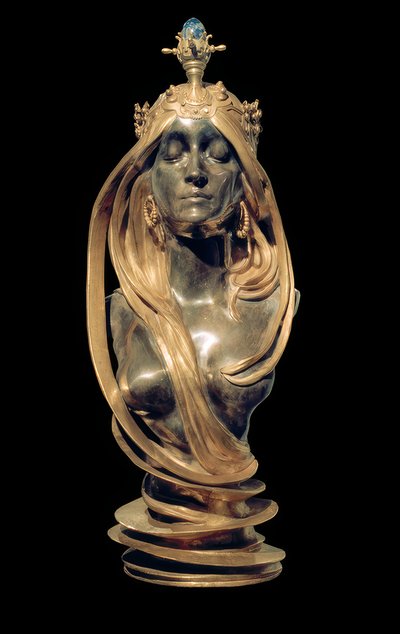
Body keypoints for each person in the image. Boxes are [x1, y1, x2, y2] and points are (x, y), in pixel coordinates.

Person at [87, 19, 297, 487]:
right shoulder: (121, 311)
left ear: (245, 183)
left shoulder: (274, 304)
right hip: (158, 510)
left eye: (219, 154)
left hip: (234, 510)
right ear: (146, 182)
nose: (196, 171)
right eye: (174, 153)